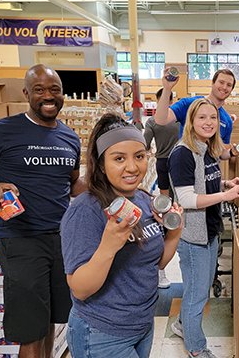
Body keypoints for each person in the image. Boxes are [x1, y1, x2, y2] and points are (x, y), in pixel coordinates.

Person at [0, 64, 86, 358]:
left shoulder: (69, 137)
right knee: (30, 329)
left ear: (63, 94)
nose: (48, 96)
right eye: (39, 90)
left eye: (54, 90)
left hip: (61, 239)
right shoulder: (2, 131)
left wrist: (111, 190)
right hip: (21, 240)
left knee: (51, 317)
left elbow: (74, 183)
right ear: (27, 93)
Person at [61, 114, 182, 358]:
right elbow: (80, 289)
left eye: (139, 156)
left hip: (143, 326)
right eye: (119, 159)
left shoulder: (145, 200)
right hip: (101, 333)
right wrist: (109, 245)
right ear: (102, 164)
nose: (132, 167)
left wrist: (175, 231)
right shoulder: (86, 210)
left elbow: (155, 264)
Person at [168, 98, 239, 358]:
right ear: (190, 121)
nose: (208, 122)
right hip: (194, 236)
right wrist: (226, 197)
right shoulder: (183, 153)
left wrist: (226, 183)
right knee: (197, 295)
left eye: (212, 118)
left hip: (210, 230)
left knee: (196, 289)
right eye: (201, 117)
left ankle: (182, 325)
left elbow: (204, 182)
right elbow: (187, 199)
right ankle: (196, 348)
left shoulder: (206, 148)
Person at [155, 68, 239, 160]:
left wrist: (232, 152)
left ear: (231, 89)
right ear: (213, 83)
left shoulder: (227, 120)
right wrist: (167, 89)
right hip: (186, 166)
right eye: (221, 82)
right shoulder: (189, 104)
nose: (224, 87)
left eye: (229, 85)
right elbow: (161, 120)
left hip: (210, 170)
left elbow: (221, 153)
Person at [143, 87, 180, 289]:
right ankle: (162, 268)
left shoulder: (154, 121)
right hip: (174, 164)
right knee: (171, 210)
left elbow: (145, 145)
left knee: (168, 210)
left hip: (167, 164)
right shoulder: (176, 119)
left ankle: (162, 269)